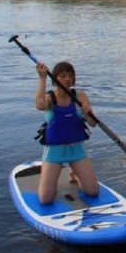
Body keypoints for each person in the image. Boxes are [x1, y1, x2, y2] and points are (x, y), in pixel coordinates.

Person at [34, 61, 98, 204]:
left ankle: (75, 174)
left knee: (93, 191)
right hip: (54, 151)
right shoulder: (50, 98)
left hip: (77, 149)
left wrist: (88, 114)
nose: (67, 79)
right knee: (45, 199)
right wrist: (42, 78)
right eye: (62, 76)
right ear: (55, 78)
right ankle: (46, 175)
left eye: (70, 76)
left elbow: (93, 124)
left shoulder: (80, 96)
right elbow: (39, 105)